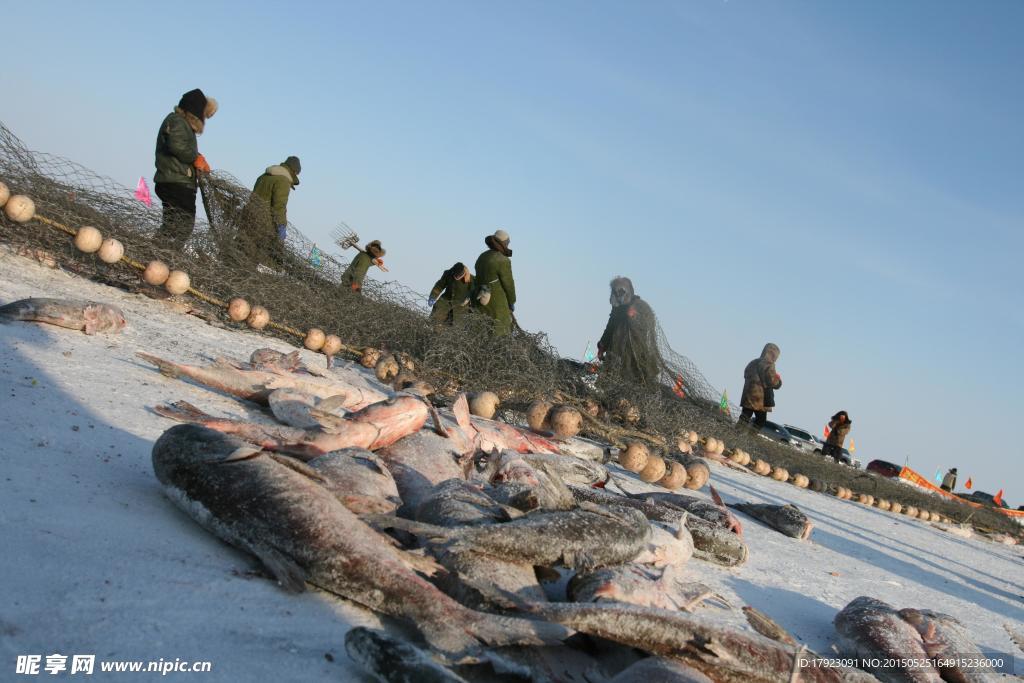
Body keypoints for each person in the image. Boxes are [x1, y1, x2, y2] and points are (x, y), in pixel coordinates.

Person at [153, 88, 218, 249]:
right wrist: (195, 157)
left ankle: (160, 253)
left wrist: (198, 159)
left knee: (175, 226)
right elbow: (176, 145)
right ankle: (162, 254)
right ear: (195, 113)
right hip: (175, 182)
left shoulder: (181, 124)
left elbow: (182, 146)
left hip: (178, 181)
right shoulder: (177, 121)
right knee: (181, 225)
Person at [596, 276, 662, 384]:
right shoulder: (617, 308)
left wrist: (634, 318)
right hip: (616, 352)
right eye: (616, 292)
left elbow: (647, 329)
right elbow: (610, 327)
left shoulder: (640, 306)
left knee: (636, 379)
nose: (618, 295)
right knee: (611, 381)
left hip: (635, 352)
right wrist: (602, 346)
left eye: (621, 292)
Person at [248, 156, 301, 269]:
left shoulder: (264, 176)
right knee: (254, 257)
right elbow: (279, 207)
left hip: (248, 218)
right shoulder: (283, 180)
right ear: (294, 171)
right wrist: (281, 226)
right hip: (263, 225)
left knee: (243, 250)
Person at [473, 230, 516, 336]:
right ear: (503, 243)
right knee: (500, 333)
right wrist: (511, 301)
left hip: (478, 300)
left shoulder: (482, 256)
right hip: (497, 304)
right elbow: (508, 284)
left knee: (479, 333)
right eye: (507, 242)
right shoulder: (503, 260)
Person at [739, 343, 782, 428]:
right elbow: (771, 381)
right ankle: (748, 439)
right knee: (760, 421)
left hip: (748, 396)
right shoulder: (769, 364)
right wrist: (779, 382)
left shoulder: (753, 362)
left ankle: (735, 435)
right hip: (759, 399)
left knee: (744, 418)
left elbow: (745, 374)